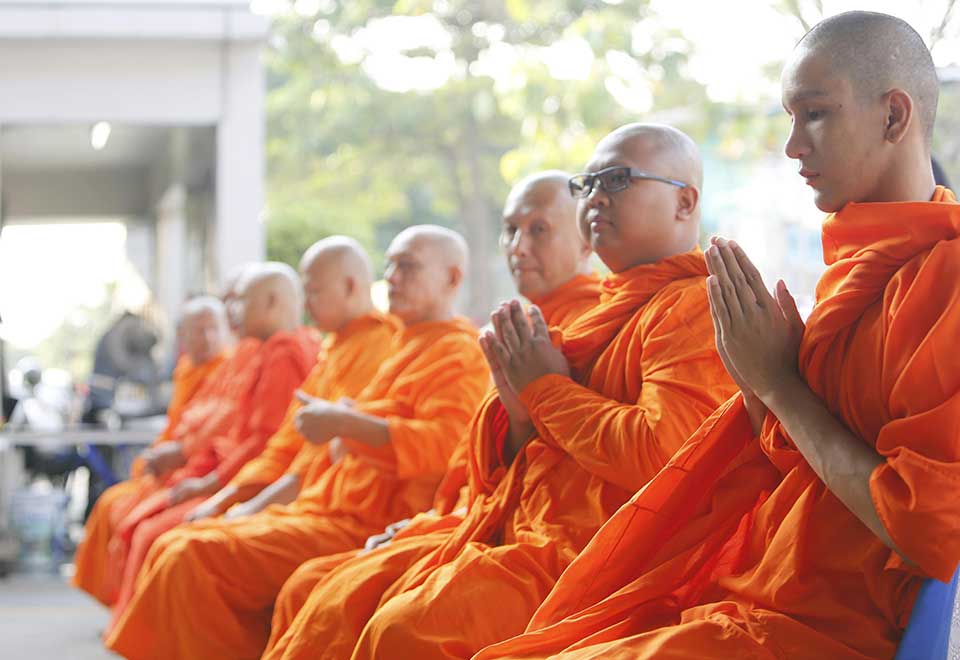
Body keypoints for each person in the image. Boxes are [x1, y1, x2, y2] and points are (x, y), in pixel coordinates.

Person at [476, 11, 960, 660]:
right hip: (746, 582)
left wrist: (778, 385)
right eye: (789, 118)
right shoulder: (859, 270)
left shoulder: (944, 276)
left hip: (818, 625)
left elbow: (927, 526)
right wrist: (765, 391)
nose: (792, 146)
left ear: (895, 117)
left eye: (814, 114)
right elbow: (801, 459)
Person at [269, 125, 737, 660]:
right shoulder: (600, 315)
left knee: (401, 630)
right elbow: (534, 459)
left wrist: (543, 389)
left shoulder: (693, 308)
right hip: (524, 528)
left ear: (685, 201)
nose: (598, 196)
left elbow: (663, 458)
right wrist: (521, 416)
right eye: (589, 184)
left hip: (602, 559)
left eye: (618, 179)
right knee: (325, 594)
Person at [104, 225, 490, 660]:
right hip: (319, 504)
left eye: (407, 266)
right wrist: (237, 499)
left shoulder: (453, 352)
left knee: (187, 553)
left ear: (453, 279)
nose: (393, 278)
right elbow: (291, 448)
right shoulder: (394, 348)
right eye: (390, 266)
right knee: (175, 541)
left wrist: (346, 425)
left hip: (371, 520)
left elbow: (443, 448)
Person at [264, 170, 601, 653]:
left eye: (539, 230)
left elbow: (461, 449)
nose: (517, 246)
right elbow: (483, 463)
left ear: (586, 240)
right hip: (460, 515)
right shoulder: (503, 331)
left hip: (544, 539)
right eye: (510, 230)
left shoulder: (592, 325)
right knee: (312, 588)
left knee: (378, 618)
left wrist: (345, 425)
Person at [102, 263, 318, 632]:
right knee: (134, 519)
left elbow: (268, 446)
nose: (232, 313)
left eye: (240, 302)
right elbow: (230, 431)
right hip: (234, 475)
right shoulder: (259, 353)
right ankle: (139, 633)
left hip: (267, 486)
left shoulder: (285, 353)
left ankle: (153, 638)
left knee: (163, 539)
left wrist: (213, 488)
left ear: (271, 303)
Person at [182, 237, 400, 522]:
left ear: (350, 286)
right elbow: (284, 445)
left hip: (332, 507)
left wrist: (230, 500)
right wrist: (227, 498)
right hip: (275, 488)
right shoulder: (332, 349)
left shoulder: (376, 347)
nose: (305, 304)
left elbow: (314, 454)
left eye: (313, 292)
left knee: (180, 546)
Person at [72, 296, 230, 606]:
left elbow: (223, 436)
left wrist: (186, 458)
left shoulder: (230, 368)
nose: (206, 338)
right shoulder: (185, 369)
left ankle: (136, 616)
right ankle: (120, 606)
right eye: (197, 331)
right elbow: (181, 425)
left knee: (142, 527)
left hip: (203, 473)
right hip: (176, 470)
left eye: (213, 329)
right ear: (182, 337)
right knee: (109, 505)